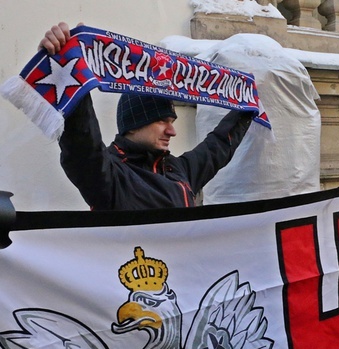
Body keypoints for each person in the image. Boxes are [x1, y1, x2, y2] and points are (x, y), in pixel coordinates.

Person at [39, 22, 257, 210]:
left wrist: (246, 109)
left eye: (171, 122)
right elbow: (81, 140)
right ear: (133, 124)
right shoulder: (107, 174)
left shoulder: (180, 170)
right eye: (161, 121)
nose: (172, 131)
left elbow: (218, 146)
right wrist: (66, 69)